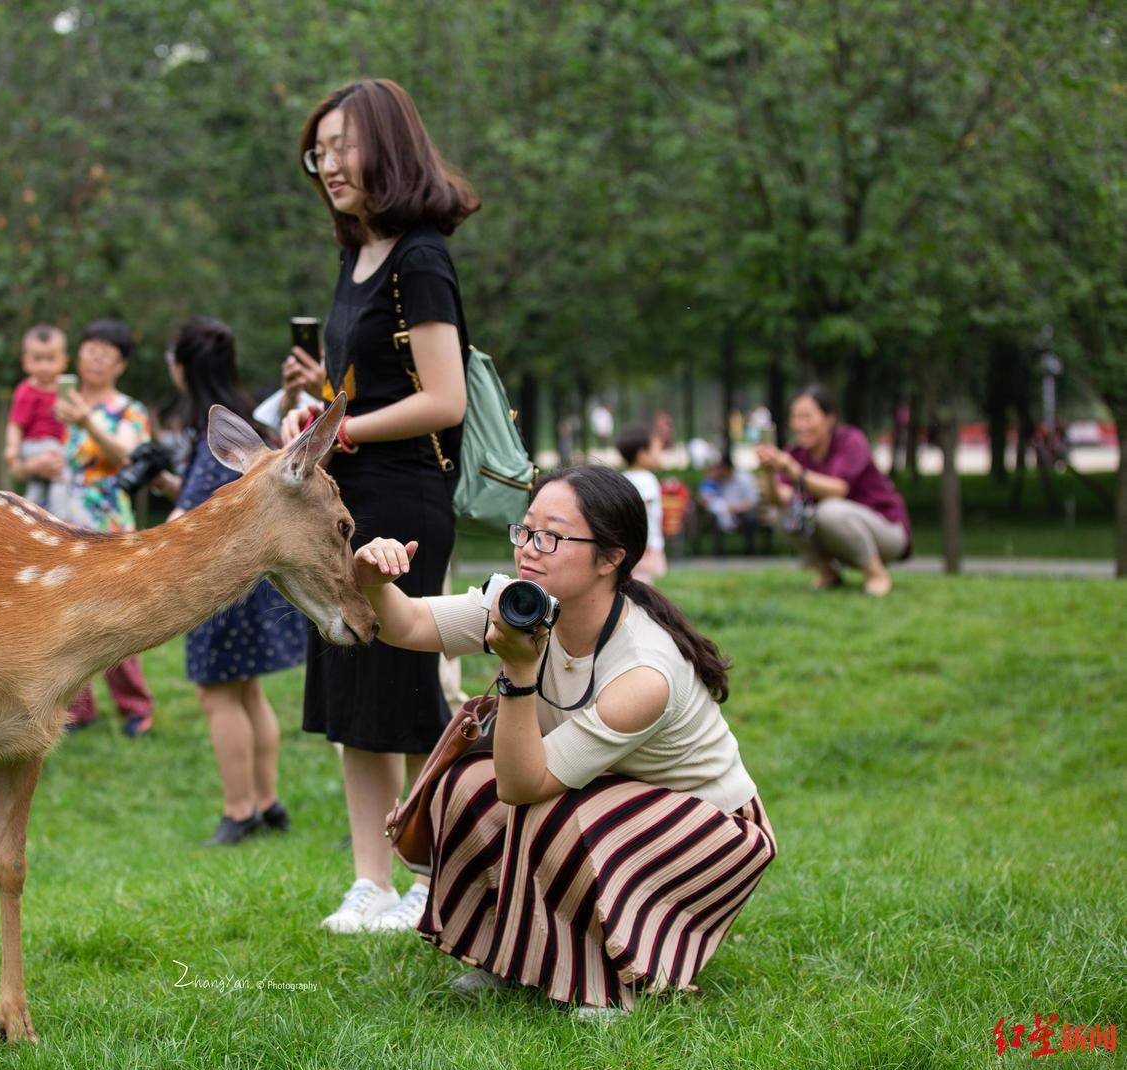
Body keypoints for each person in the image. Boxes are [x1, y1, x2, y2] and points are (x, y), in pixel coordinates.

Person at [352, 464, 775, 1019]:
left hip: (708, 831)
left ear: (610, 558)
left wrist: (519, 675)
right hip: (607, 797)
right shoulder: (519, 604)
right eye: (524, 531)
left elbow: (525, 785)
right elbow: (406, 625)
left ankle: (611, 982)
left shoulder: (644, 673)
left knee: (551, 814)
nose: (529, 549)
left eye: (551, 536)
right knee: (467, 787)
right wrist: (374, 580)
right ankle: (505, 959)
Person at [278, 78, 474, 934]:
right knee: (353, 689)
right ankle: (372, 886)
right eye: (318, 151)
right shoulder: (357, 256)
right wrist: (316, 413)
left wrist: (346, 429)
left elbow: (445, 398)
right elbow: (359, 388)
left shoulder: (421, 257)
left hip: (405, 499)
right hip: (347, 501)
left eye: (343, 145)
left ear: (388, 144)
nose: (328, 165)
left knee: (404, 684)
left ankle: (438, 878)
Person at [156, 317, 306, 844]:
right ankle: (267, 803)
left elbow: (189, 516)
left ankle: (238, 810)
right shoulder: (246, 422)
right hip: (253, 578)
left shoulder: (211, 430)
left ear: (184, 368)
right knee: (247, 693)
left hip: (218, 586)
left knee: (218, 697)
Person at [52, 318, 157, 737]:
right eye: (90, 348)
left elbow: (129, 455)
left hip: (109, 524)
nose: (95, 358)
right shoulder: (58, 404)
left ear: (120, 365)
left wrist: (87, 422)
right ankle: (77, 708)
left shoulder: (128, 410)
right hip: (60, 519)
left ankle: (135, 706)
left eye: (106, 353)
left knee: (117, 618)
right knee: (66, 618)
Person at [756, 385, 911, 596]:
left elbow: (838, 489)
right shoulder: (796, 453)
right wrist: (770, 475)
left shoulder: (851, 441)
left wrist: (793, 470)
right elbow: (782, 499)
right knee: (782, 513)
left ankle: (876, 574)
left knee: (829, 510)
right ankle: (828, 573)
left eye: (808, 417)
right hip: (836, 530)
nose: (800, 425)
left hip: (887, 531)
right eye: (795, 417)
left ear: (829, 418)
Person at [3, 324, 72, 517]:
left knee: (38, 486)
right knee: (61, 474)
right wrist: (12, 448)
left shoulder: (66, 390)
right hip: (36, 445)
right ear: (25, 362)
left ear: (64, 360)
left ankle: (28, 517)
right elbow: (16, 424)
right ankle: (61, 519)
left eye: (51, 359)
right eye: (37, 359)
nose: (44, 366)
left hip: (56, 445)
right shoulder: (26, 390)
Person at [615, 424, 666, 582]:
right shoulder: (646, 479)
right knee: (645, 587)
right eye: (657, 449)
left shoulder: (623, 478)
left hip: (630, 546)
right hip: (646, 548)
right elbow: (639, 514)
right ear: (643, 454)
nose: (661, 454)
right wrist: (645, 545)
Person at [698, 459, 762, 554]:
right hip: (722, 513)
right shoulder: (716, 481)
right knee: (713, 519)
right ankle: (718, 552)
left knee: (750, 518)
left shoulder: (744, 479)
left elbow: (753, 501)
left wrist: (733, 508)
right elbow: (707, 499)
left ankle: (750, 552)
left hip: (742, 512)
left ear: (726, 468)